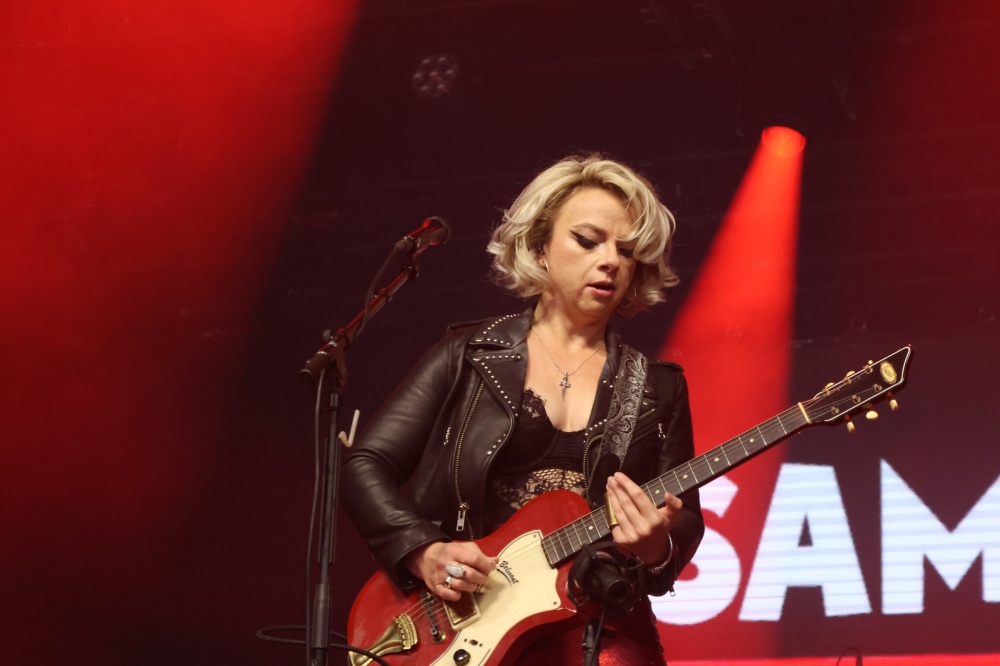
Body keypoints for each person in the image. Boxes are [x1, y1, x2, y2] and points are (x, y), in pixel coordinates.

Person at [341, 155, 704, 664]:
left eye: (627, 250)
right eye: (588, 240)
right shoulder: (468, 355)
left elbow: (684, 520)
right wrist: (423, 550)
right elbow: (365, 464)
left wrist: (657, 548)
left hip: (602, 633)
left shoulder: (657, 388)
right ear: (539, 248)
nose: (611, 261)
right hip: (470, 626)